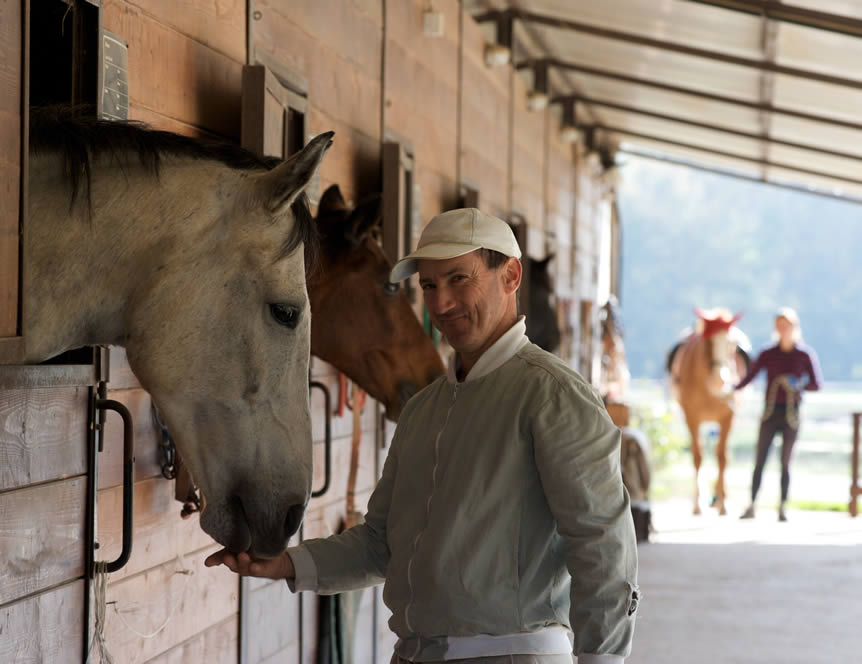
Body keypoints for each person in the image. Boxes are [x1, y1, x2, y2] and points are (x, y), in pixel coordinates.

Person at [206, 208, 639, 663]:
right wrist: (287, 564)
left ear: (510, 275)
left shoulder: (554, 396)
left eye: (458, 279)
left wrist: (602, 658)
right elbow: (381, 543)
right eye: (429, 285)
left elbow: (604, 546)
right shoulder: (424, 409)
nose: (441, 303)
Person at [736, 307, 823, 522]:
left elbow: (816, 384)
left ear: (794, 327)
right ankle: (752, 504)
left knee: (786, 461)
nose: (783, 330)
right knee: (760, 459)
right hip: (770, 412)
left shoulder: (804, 355)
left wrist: (798, 385)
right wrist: (732, 388)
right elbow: (750, 376)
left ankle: (782, 506)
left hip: (791, 414)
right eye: (780, 326)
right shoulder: (768, 353)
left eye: (787, 326)